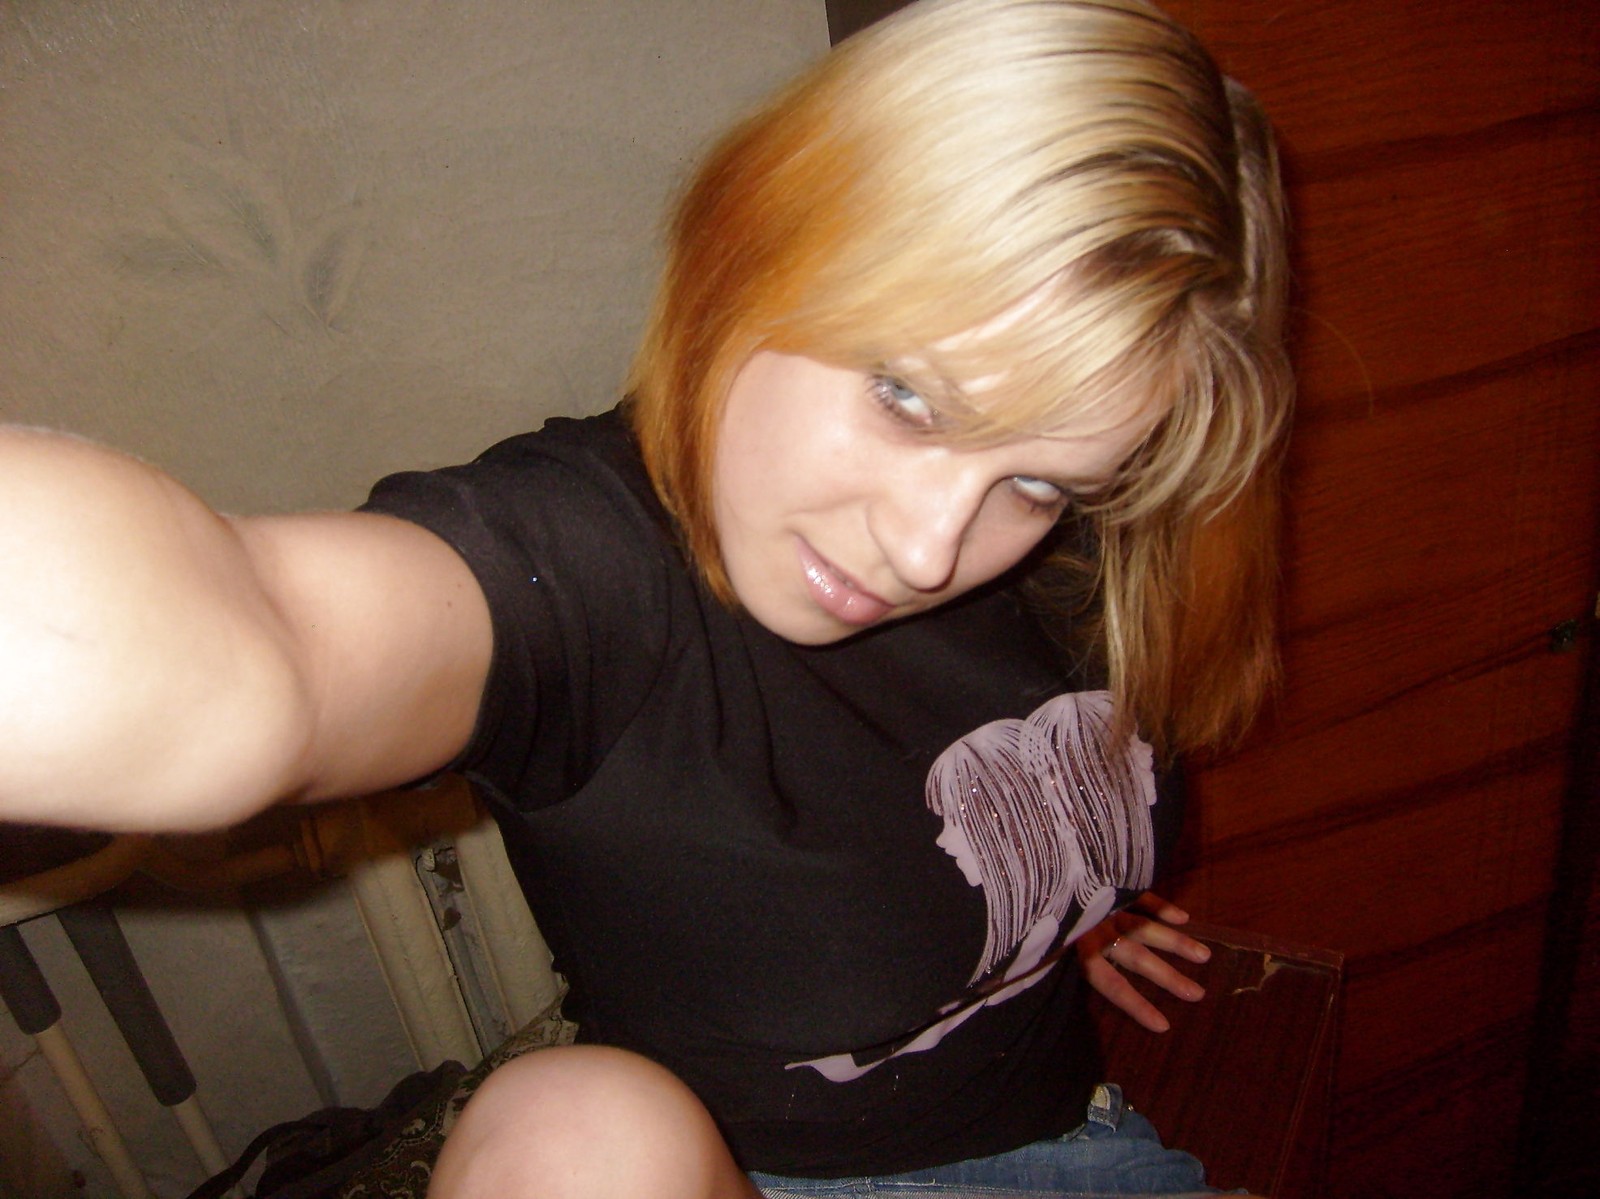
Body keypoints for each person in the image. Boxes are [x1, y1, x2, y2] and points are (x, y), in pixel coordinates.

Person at [0, 0, 1291, 1195]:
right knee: (569, 1133)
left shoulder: (1070, 541)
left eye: (1039, 479)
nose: (928, 547)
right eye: (906, 396)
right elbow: (251, 649)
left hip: (1081, 1155)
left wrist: (1046, 916)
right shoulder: (591, 567)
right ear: (762, 236)